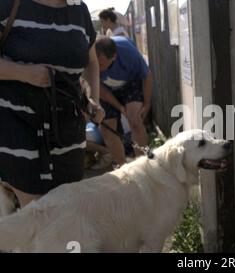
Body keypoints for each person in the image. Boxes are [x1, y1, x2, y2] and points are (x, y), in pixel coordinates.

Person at [0, 0, 104, 208]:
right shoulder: (7, 5)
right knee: (39, 212)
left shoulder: (79, 11)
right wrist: (25, 74)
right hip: (20, 128)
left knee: (67, 207)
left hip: (70, 131)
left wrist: (93, 99)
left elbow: (91, 62)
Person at [95, 36, 152, 167]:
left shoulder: (128, 52)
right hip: (106, 89)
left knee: (135, 120)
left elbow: (147, 76)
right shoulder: (89, 56)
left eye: (102, 65)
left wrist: (147, 104)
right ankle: (123, 166)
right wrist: (120, 107)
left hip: (131, 83)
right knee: (107, 127)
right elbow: (99, 89)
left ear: (114, 56)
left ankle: (143, 166)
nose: (98, 69)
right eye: (96, 64)